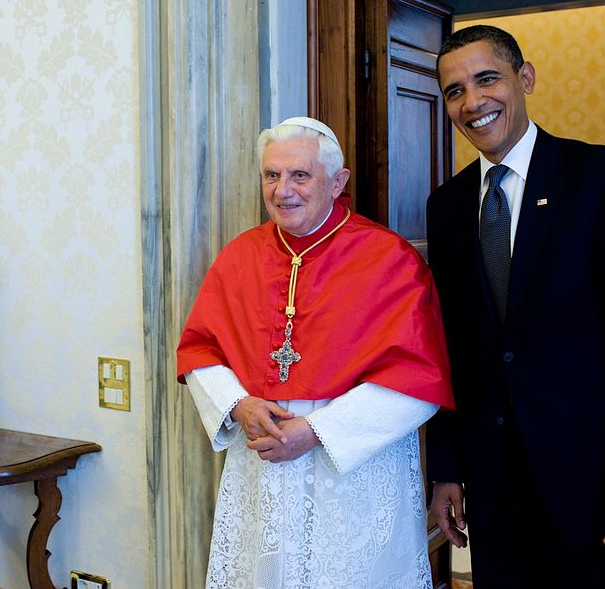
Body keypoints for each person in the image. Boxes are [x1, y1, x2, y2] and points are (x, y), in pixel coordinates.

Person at [424, 25, 605, 588]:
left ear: (526, 78)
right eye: (454, 90)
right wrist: (446, 470)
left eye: (486, 79)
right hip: (493, 491)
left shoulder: (603, 177)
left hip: (592, 486)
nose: (472, 102)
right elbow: (450, 350)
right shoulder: (445, 207)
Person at [176, 116, 454, 589]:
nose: (283, 190)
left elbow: (418, 381)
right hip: (262, 466)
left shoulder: (389, 260)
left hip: (352, 475)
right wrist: (239, 405)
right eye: (271, 175)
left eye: (299, 175)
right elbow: (201, 349)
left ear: (337, 181)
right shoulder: (240, 255)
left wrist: (317, 429)